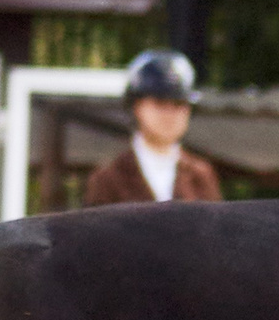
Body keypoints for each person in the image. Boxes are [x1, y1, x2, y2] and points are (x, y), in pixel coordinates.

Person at [82, 48, 221, 205]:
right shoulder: (108, 179)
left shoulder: (201, 176)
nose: (169, 114)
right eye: (159, 103)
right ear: (136, 107)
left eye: (178, 104)